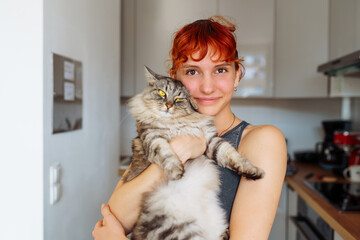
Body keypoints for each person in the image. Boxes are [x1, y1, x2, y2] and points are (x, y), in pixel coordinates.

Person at [93, 16, 287, 240]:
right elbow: (116, 216)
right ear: (175, 78)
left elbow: (112, 233)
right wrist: (178, 152)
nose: (207, 87)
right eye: (193, 71)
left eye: (221, 70)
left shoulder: (263, 140)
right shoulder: (161, 134)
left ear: (237, 76)